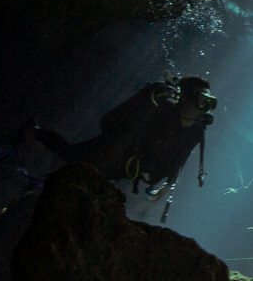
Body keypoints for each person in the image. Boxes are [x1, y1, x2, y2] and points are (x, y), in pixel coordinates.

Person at [25, 76, 216, 194]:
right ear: (185, 98)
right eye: (202, 101)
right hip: (110, 151)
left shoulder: (194, 133)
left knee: (75, 163)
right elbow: (117, 127)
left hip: (126, 168)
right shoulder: (161, 110)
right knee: (71, 155)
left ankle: (43, 181)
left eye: (210, 103)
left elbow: (176, 164)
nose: (206, 109)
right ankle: (33, 132)